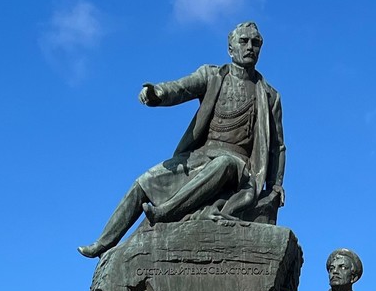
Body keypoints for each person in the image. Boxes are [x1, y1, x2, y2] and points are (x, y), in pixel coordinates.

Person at [78, 21, 285, 258]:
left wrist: (275, 184)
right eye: (244, 41)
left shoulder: (269, 95)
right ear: (230, 48)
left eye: (256, 43)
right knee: (145, 181)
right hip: (200, 157)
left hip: (239, 168)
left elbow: (277, 146)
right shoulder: (212, 75)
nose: (250, 47)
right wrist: (158, 93)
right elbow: (181, 88)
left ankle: (166, 212)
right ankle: (104, 243)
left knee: (224, 163)